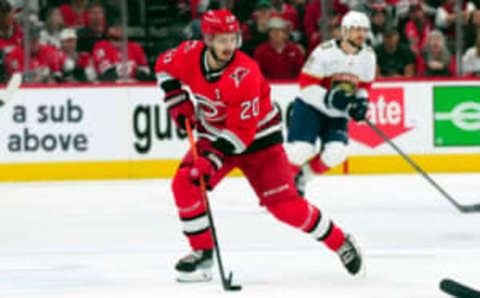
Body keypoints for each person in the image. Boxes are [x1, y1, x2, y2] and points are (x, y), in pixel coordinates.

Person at [155, 9, 363, 282]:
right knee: (185, 182)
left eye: (233, 39)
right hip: (214, 134)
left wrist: (213, 160)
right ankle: (203, 256)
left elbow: (241, 133)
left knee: (285, 206)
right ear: (207, 39)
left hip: (259, 142)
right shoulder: (188, 54)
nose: (229, 46)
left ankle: (340, 241)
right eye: (221, 40)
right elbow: (162, 66)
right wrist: (175, 98)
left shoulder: (244, 73)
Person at [285, 11, 375, 198]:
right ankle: (280, 186)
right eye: (355, 29)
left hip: (337, 113)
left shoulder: (368, 56)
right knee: (301, 150)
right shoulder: (324, 52)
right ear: (344, 31)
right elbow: (306, 85)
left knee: (337, 152)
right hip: (310, 108)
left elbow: (364, 86)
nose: (360, 34)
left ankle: (302, 179)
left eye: (363, 30)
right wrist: (330, 98)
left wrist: (361, 103)